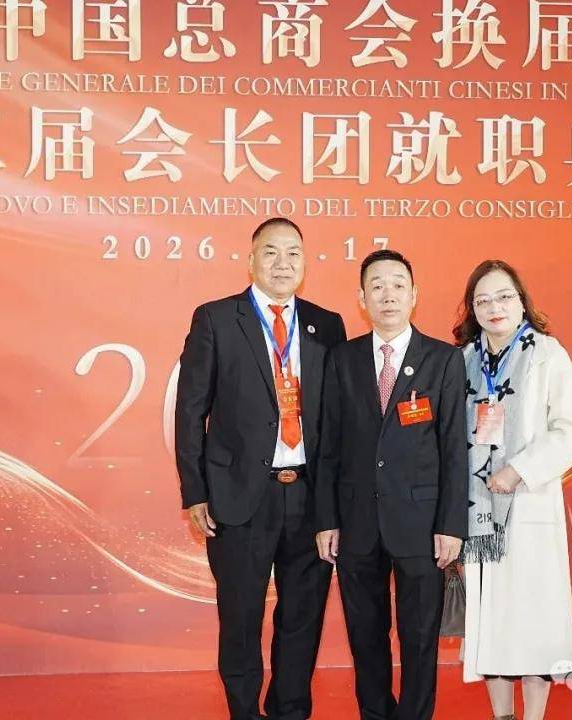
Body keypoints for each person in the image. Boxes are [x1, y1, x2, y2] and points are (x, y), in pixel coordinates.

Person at [175, 217, 347, 720]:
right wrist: (195, 492)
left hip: (309, 497)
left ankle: (290, 709)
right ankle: (244, 712)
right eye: (271, 252)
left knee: (302, 618)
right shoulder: (216, 319)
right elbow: (190, 411)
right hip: (238, 496)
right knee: (241, 616)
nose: (282, 263)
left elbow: (337, 420)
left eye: (293, 253)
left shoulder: (326, 324)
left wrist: (337, 501)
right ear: (251, 261)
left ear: (305, 263)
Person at [315, 249, 468, 720]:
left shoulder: (442, 360)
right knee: (366, 635)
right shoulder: (342, 359)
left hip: (421, 524)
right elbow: (328, 445)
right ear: (362, 299)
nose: (388, 295)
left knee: (420, 636)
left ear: (414, 295)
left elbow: (453, 449)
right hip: (357, 521)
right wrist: (326, 520)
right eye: (377, 286)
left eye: (398, 285)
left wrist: (451, 525)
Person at [454, 260, 572, 720]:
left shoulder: (547, 354)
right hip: (477, 511)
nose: (495, 307)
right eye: (483, 300)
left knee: (533, 619)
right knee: (489, 620)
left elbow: (570, 430)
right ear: (472, 309)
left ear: (521, 301)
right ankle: (501, 715)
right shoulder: (464, 360)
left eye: (504, 296)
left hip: (528, 506)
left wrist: (519, 469)